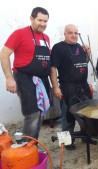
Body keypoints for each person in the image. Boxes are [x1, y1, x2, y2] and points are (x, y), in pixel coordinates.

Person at [0, 7, 51, 139]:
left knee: (41, 113)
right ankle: (27, 147)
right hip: (24, 78)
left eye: (45, 21)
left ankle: (33, 143)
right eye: (40, 20)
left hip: (42, 79)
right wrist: (9, 78)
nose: (43, 24)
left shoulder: (46, 38)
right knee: (32, 113)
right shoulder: (19, 34)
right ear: (31, 18)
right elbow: (4, 54)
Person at [50, 24, 97, 150]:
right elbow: (53, 68)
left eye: (76, 33)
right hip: (67, 86)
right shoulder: (58, 48)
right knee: (67, 116)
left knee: (86, 113)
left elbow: (84, 63)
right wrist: (55, 87)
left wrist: (88, 53)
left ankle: (86, 136)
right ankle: (67, 141)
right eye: (70, 33)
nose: (73, 35)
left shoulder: (80, 47)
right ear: (64, 34)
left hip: (83, 86)